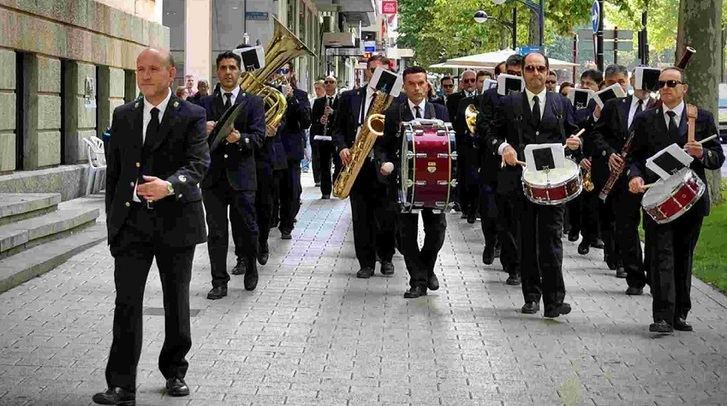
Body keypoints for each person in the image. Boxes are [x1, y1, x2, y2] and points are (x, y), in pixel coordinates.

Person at [93, 48, 210, 405]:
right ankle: (121, 384)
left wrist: (169, 185)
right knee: (126, 304)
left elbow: (198, 163)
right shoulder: (124, 114)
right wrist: (115, 224)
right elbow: (114, 175)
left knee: (176, 301)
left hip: (176, 222)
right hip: (132, 226)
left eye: (153, 69)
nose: (144, 76)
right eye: (139, 69)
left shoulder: (192, 114)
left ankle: (174, 372)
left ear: (170, 74)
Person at [627, 66, 724, 333]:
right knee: (661, 256)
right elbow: (634, 156)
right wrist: (634, 177)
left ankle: (681, 312)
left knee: (683, 256)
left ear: (684, 88)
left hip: (690, 200)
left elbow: (718, 157)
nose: (666, 88)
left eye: (672, 83)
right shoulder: (646, 119)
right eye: (662, 84)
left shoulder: (700, 118)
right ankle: (662, 316)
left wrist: (702, 153)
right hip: (657, 198)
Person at [488, 52, 580, 318]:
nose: (536, 73)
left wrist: (576, 143)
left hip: (553, 182)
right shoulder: (509, 103)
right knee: (527, 240)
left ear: (548, 72)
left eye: (541, 68)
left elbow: (574, 133)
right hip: (521, 182)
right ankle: (531, 296)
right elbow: (489, 132)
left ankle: (554, 300)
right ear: (523, 73)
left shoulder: (561, 103)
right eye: (530, 69)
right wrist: (503, 147)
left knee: (551, 240)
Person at [377, 66, 450, 298]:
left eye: (421, 83)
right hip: (404, 183)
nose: (417, 88)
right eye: (411, 84)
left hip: (434, 183)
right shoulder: (394, 113)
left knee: (437, 231)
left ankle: (426, 268)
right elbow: (383, 146)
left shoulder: (440, 111)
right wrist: (384, 163)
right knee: (406, 233)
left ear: (427, 84)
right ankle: (417, 281)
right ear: (404, 87)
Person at [198, 51, 265, 299]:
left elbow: (259, 138)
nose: (228, 72)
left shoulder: (253, 102)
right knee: (216, 232)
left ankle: (250, 265)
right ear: (217, 72)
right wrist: (201, 130)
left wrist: (241, 139)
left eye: (232, 68)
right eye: (224, 68)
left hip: (242, 177)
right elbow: (191, 140)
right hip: (213, 178)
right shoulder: (204, 104)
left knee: (247, 227)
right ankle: (219, 281)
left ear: (240, 72)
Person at [332, 54, 396, 279]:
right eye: (372, 71)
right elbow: (337, 129)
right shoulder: (350, 97)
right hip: (356, 165)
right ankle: (366, 263)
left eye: (382, 72)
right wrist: (341, 147)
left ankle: (386, 258)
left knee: (387, 217)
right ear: (366, 72)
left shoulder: (394, 101)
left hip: (382, 167)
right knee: (361, 218)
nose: (376, 76)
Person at [590, 65, 651, 284]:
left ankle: (652, 272)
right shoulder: (614, 105)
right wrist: (609, 153)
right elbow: (597, 134)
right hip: (618, 172)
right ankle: (632, 272)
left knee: (650, 227)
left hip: (648, 174)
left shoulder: (657, 106)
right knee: (625, 222)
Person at [475, 53, 523, 285]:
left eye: (517, 74)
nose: (513, 77)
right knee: (492, 212)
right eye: (509, 74)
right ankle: (490, 242)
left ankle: (513, 264)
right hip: (493, 165)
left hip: (518, 167)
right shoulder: (490, 96)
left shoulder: (526, 98)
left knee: (513, 218)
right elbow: (483, 128)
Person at [566, 69, 603, 250]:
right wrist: (579, 157)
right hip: (580, 157)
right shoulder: (573, 105)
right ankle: (575, 228)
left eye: (590, 84)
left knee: (593, 201)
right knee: (577, 198)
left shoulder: (605, 105)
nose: (585, 87)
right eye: (583, 83)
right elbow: (573, 131)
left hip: (598, 158)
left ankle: (591, 237)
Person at [275, 62, 311, 240]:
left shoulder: (300, 96)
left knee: (293, 190)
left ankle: (287, 224)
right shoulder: (268, 93)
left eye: (285, 71)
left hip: (291, 149)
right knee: (272, 190)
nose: (282, 74)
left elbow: (305, 122)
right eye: (279, 70)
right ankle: (272, 220)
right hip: (272, 149)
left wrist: (292, 99)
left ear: (292, 73)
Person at [310, 75, 341, 199]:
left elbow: (345, 117)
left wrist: (333, 113)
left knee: (338, 164)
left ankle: (337, 186)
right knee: (324, 165)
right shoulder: (318, 102)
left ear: (336, 84)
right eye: (326, 82)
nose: (328, 84)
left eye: (331, 82)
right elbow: (313, 119)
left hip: (336, 138)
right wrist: (320, 120)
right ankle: (325, 191)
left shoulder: (341, 100)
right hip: (323, 138)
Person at [310, 79, 326, 187]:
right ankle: (317, 178)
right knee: (315, 156)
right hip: (316, 132)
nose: (317, 91)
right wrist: (318, 120)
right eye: (315, 89)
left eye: (319, 88)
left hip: (326, 134)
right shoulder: (313, 101)